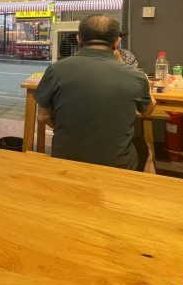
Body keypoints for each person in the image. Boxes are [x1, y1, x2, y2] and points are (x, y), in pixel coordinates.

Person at [35, 14, 156, 172]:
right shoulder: (136, 77)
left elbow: (42, 117)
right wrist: (147, 85)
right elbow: (147, 110)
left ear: (78, 39)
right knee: (147, 151)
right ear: (117, 42)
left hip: (64, 160)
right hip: (117, 166)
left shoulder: (56, 70)